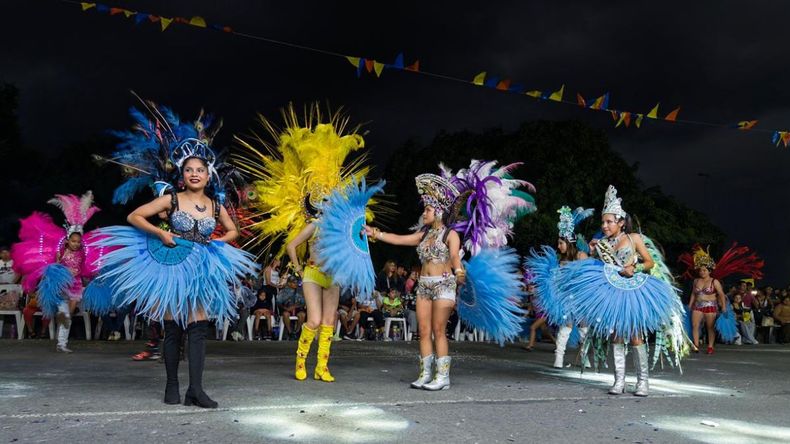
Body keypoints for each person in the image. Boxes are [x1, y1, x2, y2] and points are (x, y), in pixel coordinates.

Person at [87, 103, 257, 408]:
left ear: (208, 175)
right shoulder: (171, 199)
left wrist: (217, 244)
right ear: (182, 174)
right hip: (172, 267)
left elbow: (233, 231)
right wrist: (163, 233)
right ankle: (172, 386)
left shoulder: (215, 206)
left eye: (200, 170)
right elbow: (135, 217)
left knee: (198, 329)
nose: (195, 174)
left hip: (201, 268)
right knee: (172, 328)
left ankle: (196, 389)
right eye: (189, 170)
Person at [364, 160, 534, 390]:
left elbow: (454, 256)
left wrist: (459, 272)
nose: (424, 212)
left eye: (428, 209)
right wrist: (376, 233)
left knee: (437, 330)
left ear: (439, 211)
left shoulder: (451, 234)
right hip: (423, 286)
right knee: (422, 331)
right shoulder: (423, 234)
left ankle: (442, 377)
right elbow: (399, 239)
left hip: (444, 285)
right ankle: (425, 374)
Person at [559, 186, 686, 397]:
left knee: (635, 336)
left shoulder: (634, 238)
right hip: (612, 292)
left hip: (633, 290)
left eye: (609, 222)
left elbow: (650, 261)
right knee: (616, 336)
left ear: (620, 222)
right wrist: (591, 252)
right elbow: (598, 267)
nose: (605, 226)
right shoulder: (602, 244)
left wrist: (633, 268)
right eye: (603, 222)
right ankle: (619, 381)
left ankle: (643, 382)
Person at [12, 191, 105, 352]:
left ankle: (62, 340)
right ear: (68, 240)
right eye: (73, 241)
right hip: (61, 285)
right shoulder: (60, 251)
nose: (76, 244)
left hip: (75, 285)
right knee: (65, 314)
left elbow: (87, 267)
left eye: (78, 241)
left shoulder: (84, 252)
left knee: (68, 314)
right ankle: (62, 343)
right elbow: (53, 267)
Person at [526, 206, 593, 367]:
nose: (558, 246)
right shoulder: (559, 260)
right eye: (558, 242)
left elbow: (587, 276)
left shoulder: (581, 256)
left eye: (561, 242)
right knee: (566, 325)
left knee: (584, 327)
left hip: (580, 298)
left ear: (569, 242)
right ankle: (559, 359)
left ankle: (585, 358)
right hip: (565, 298)